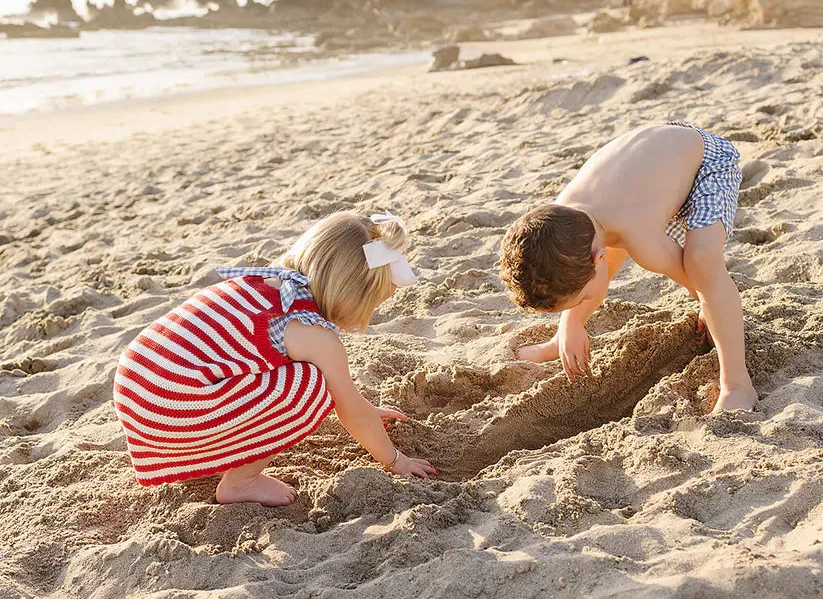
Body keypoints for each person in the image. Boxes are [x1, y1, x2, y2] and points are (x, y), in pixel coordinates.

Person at [113, 210, 436, 506]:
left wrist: (361, 407)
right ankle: (241, 483)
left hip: (140, 390)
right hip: (173, 410)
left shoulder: (264, 282)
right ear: (354, 296)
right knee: (309, 386)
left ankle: (218, 453)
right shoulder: (313, 334)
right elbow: (352, 413)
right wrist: (396, 460)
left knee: (291, 380)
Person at [499, 121, 757, 413]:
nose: (582, 302)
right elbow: (578, 258)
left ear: (599, 259)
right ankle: (561, 338)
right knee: (602, 247)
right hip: (655, 157)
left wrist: (709, 310)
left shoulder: (641, 240)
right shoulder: (561, 221)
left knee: (700, 262)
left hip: (705, 163)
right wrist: (571, 322)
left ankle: (738, 383)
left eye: (582, 299)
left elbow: (702, 283)